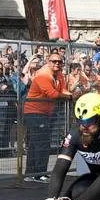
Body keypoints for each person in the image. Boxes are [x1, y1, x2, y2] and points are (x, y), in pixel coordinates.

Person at [23, 53, 80, 183]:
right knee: (41, 142)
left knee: (38, 142)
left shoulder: (59, 75)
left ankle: (33, 173)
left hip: (44, 112)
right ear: (48, 62)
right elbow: (52, 94)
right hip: (34, 111)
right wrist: (71, 97)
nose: (57, 64)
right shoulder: (43, 75)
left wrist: (72, 94)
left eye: (59, 61)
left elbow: (63, 90)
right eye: (54, 61)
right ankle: (37, 173)